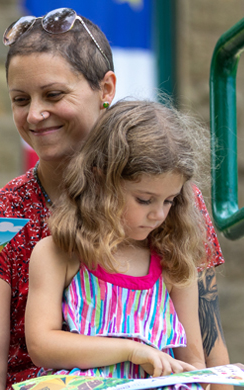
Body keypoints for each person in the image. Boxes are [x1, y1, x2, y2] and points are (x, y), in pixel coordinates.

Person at [0, 7, 230, 389]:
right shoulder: (0, 215)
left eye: (53, 94)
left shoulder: (175, 201)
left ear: (106, 89)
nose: (35, 114)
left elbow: (206, 346)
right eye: (20, 100)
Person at [26, 101, 208, 386]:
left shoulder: (173, 260)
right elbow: (42, 346)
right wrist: (132, 351)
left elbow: (194, 362)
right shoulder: (60, 253)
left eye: (170, 200)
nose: (158, 214)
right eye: (145, 200)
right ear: (102, 180)